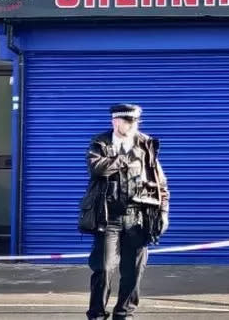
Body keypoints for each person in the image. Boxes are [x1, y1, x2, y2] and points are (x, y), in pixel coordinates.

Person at [82, 103, 169, 320]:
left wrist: (164, 212)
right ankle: (97, 314)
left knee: (134, 271)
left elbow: (161, 184)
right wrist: (125, 158)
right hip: (107, 217)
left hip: (137, 217)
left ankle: (124, 314)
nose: (133, 126)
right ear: (115, 121)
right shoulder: (100, 143)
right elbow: (97, 168)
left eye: (135, 122)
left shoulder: (145, 145)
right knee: (103, 268)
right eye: (128, 122)